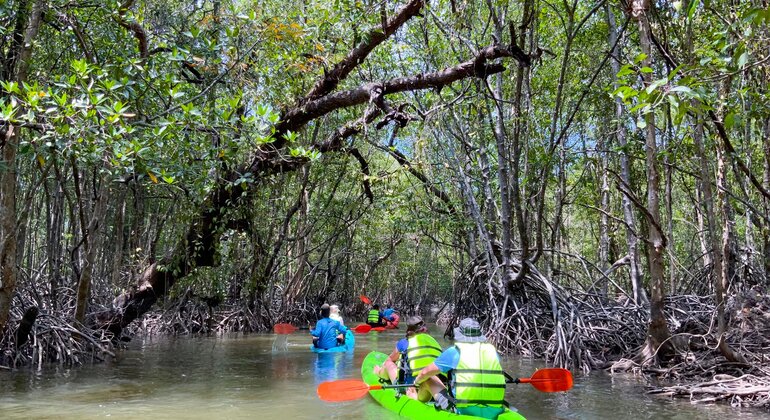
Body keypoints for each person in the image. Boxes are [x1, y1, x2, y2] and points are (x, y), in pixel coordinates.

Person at [413, 318, 507, 418]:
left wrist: (417, 382)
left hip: (463, 410)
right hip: (494, 410)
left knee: (429, 379)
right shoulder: (493, 352)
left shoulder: (454, 352)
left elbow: (425, 373)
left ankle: (416, 403)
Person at [373, 316, 445, 402]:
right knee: (429, 377)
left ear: (409, 329)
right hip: (432, 386)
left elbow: (390, 359)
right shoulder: (433, 342)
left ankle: (379, 372)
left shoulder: (404, 343)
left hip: (410, 388)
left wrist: (381, 369)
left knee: (388, 363)